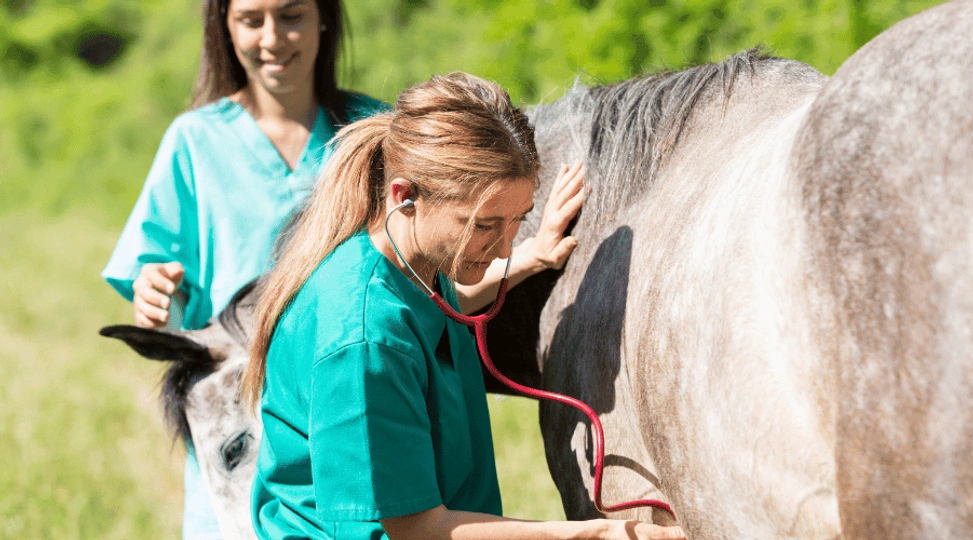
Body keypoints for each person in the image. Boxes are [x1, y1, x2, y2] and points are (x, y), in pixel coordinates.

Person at [243, 72, 686, 540]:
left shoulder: (400, 264)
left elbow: (437, 307)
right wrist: (602, 535)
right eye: (484, 226)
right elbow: (417, 529)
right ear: (404, 196)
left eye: (517, 219)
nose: (501, 247)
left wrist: (533, 254)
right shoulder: (363, 340)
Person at [102, 0, 386, 537]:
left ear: (324, 16)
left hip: (350, 402)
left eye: (292, 15)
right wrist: (152, 292)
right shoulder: (194, 141)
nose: (273, 38)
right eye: (252, 19)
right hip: (238, 422)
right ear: (225, 28)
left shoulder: (373, 131)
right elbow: (159, 299)